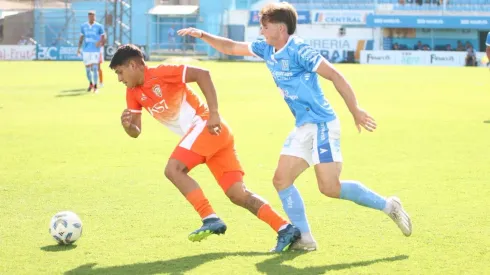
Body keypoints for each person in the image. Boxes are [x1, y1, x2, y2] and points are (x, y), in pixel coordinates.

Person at [178, 2, 412, 251]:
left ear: (280, 28)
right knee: (281, 180)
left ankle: (388, 205)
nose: (261, 32)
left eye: (264, 27)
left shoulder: (299, 49)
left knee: (329, 187)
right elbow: (231, 47)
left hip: (322, 123)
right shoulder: (266, 48)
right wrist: (202, 35)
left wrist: (355, 110)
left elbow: (334, 75)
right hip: (303, 126)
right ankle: (305, 239)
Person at [109, 44, 300, 252]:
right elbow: (136, 131)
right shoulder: (133, 92)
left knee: (173, 169)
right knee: (237, 194)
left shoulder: (162, 73)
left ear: (133, 65)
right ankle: (285, 228)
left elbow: (203, 74)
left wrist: (214, 113)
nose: (119, 78)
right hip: (209, 138)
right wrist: (128, 125)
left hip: (207, 125)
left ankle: (209, 217)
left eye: (120, 72)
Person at [77, 11, 105, 93]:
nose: (92, 18)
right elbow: (81, 37)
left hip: (95, 51)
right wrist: (78, 48)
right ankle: (90, 83)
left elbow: (103, 37)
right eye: (90, 16)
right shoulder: (83, 26)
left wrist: (99, 42)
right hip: (86, 51)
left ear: (95, 17)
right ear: (88, 17)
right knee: (88, 70)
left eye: (93, 16)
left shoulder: (99, 26)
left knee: (96, 68)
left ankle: (96, 87)